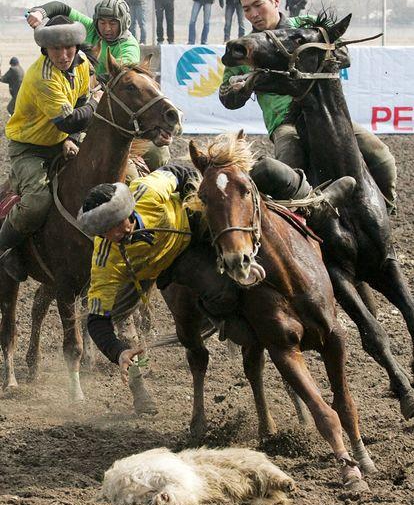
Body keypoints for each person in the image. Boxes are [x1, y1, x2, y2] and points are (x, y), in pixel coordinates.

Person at [78, 163, 355, 383]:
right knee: (220, 292)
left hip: (194, 219)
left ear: (127, 210)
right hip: (177, 259)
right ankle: (228, 321)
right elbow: (97, 319)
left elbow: (180, 170)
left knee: (258, 181)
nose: (115, 234)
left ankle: (313, 202)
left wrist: (199, 196)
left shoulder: (148, 191)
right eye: (105, 232)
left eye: (117, 224)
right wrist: (118, 351)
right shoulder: (105, 259)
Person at [219, 0, 397, 210]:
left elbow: (343, 56)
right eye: (246, 9)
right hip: (285, 124)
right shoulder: (244, 49)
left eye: (258, 5)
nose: (253, 14)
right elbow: (226, 98)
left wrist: (299, 62)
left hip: (326, 114)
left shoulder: (307, 26)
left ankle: (386, 211)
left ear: (275, 0)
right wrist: (242, 88)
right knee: (286, 173)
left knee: (383, 158)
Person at [0, 16, 103, 282]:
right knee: (36, 203)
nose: (64, 54)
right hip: (29, 147)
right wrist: (96, 102)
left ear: (78, 47)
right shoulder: (41, 77)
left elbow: (79, 99)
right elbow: (71, 117)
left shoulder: (81, 66)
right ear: (45, 50)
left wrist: (73, 138)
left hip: (59, 139)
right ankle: (4, 247)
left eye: (69, 47)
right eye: (56, 49)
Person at [26, 0, 170, 173]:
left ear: (124, 22)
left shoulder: (128, 47)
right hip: (88, 102)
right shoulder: (92, 29)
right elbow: (61, 7)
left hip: (115, 109)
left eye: (112, 23)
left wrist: (87, 78)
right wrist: (40, 12)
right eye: (102, 22)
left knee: (155, 156)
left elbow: (119, 81)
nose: (106, 28)